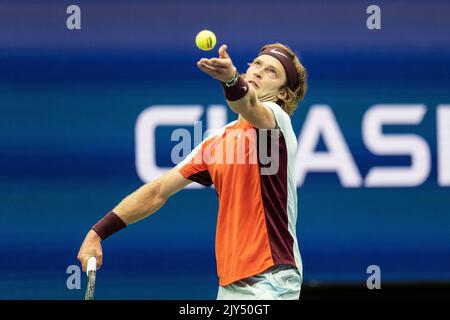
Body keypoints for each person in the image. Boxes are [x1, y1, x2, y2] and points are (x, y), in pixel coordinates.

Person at [77, 42, 307, 300]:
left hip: (272, 278)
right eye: (256, 64)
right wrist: (98, 232)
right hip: (231, 283)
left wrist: (231, 80)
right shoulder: (216, 143)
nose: (259, 72)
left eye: (272, 72)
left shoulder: (276, 124)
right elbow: (157, 192)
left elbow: (249, 106)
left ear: (283, 95)